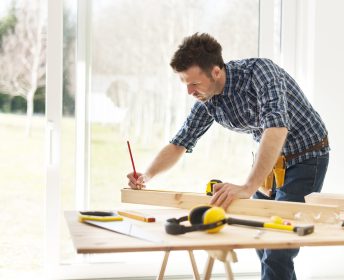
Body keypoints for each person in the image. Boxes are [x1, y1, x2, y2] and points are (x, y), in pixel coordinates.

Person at [127, 33, 330, 280]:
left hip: (306, 156)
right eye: (185, 84)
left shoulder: (260, 72)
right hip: (272, 162)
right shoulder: (208, 98)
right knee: (262, 239)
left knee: (279, 245)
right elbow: (180, 142)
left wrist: (247, 187)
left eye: (193, 83)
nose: (189, 91)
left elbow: (276, 129)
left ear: (215, 72)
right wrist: (147, 175)